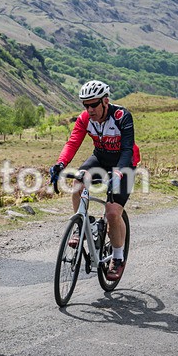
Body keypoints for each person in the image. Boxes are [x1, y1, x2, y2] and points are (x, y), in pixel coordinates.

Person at [49, 80, 140, 281]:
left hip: (124, 163)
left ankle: (117, 257)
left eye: (93, 104)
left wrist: (119, 173)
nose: (89, 109)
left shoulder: (122, 117)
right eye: (85, 105)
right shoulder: (84, 119)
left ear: (105, 101)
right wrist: (60, 164)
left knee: (113, 212)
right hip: (100, 158)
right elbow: (73, 142)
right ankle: (83, 224)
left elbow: (127, 149)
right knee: (78, 182)